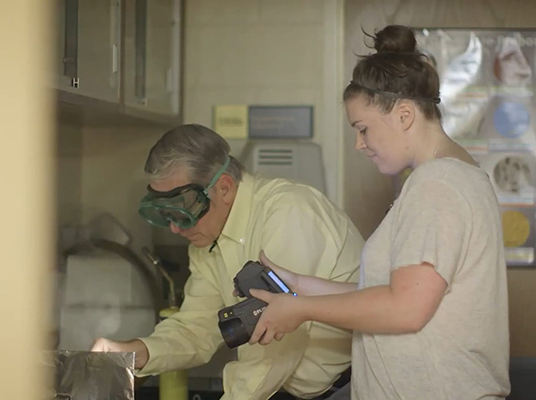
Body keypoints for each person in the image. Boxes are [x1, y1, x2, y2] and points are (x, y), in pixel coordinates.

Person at [247, 25, 511, 399]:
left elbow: (405, 309)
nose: (359, 144)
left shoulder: (436, 185)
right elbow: (397, 294)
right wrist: (300, 287)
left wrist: (302, 310)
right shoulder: (456, 177)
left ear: (404, 115)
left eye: (364, 129)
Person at [91, 124, 365, 400]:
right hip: (286, 389)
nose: (176, 229)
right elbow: (197, 327)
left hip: (346, 389)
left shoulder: (288, 211)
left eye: (184, 212)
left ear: (223, 187)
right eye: (167, 216)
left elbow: (276, 344)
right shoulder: (207, 238)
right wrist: (137, 353)